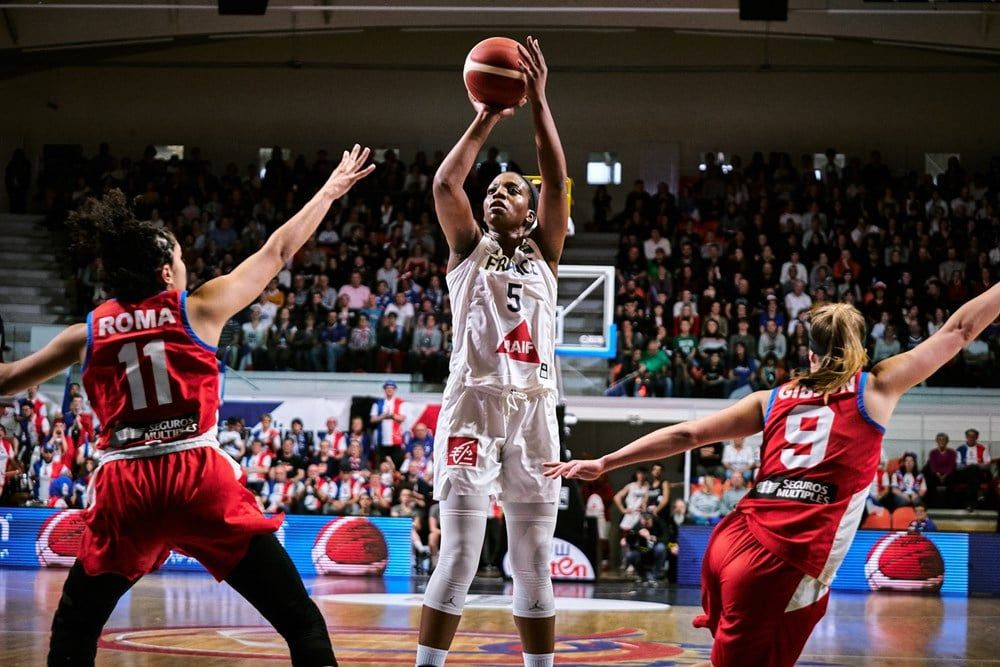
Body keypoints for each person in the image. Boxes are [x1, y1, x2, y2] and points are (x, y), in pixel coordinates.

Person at [0, 145, 374, 666]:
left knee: (74, 632)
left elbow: (7, 380)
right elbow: (277, 251)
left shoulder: (86, 333)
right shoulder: (198, 308)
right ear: (164, 273)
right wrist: (329, 192)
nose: (185, 266)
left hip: (125, 488)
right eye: (179, 259)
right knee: (299, 620)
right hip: (198, 479)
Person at [546, 284, 1000, 667]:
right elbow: (960, 329)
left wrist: (605, 463)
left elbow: (688, 434)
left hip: (730, 540)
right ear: (861, 351)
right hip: (779, 558)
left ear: (809, 353)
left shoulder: (772, 397)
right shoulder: (878, 385)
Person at [416, 37, 568, 667]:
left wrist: (539, 102)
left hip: (535, 410)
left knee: (533, 561)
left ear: (531, 213)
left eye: (511, 190)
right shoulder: (467, 250)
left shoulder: (547, 254)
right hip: (473, 408)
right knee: (459, 554)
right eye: (493, 190)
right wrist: (486, 116)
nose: (497, 194)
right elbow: (445, 182)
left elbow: (554, 175)